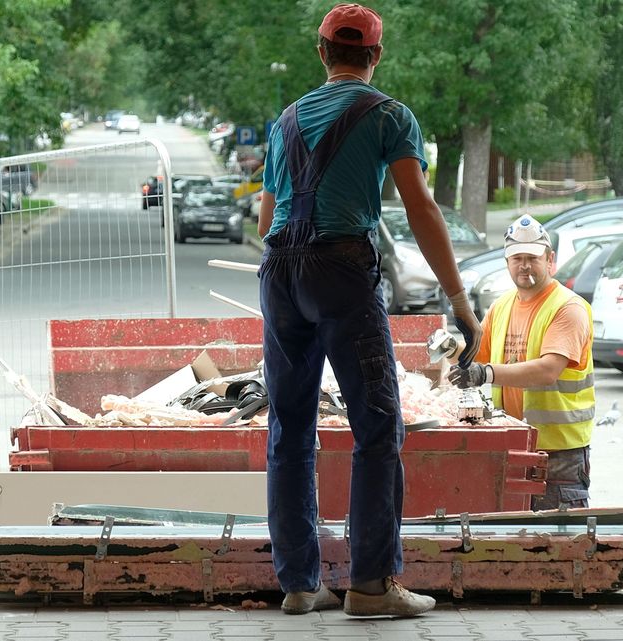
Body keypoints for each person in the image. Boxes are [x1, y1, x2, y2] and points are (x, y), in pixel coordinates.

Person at [256, 3, 481, 618]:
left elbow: (265, 217)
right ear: (375, 55)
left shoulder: (285, 121)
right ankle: (372, 587)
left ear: (322, 52)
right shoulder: (389, 116)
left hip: (280, 272)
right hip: (342, 272)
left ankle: (300, 585)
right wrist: (459, 302)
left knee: (289, 428)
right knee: (377, 428)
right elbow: (421, 207)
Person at [447, 214, 596, 511]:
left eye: (532, 258)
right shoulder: (502, 306)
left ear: (550, 260)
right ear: (507, 262)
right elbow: (479, 356)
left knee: (559, 537)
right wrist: (451, 348)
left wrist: (484, 374)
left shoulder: (568, 308)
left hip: (558, 455)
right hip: (513, 442)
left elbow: (547, 370)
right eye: (517, 258)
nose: (524, 265)